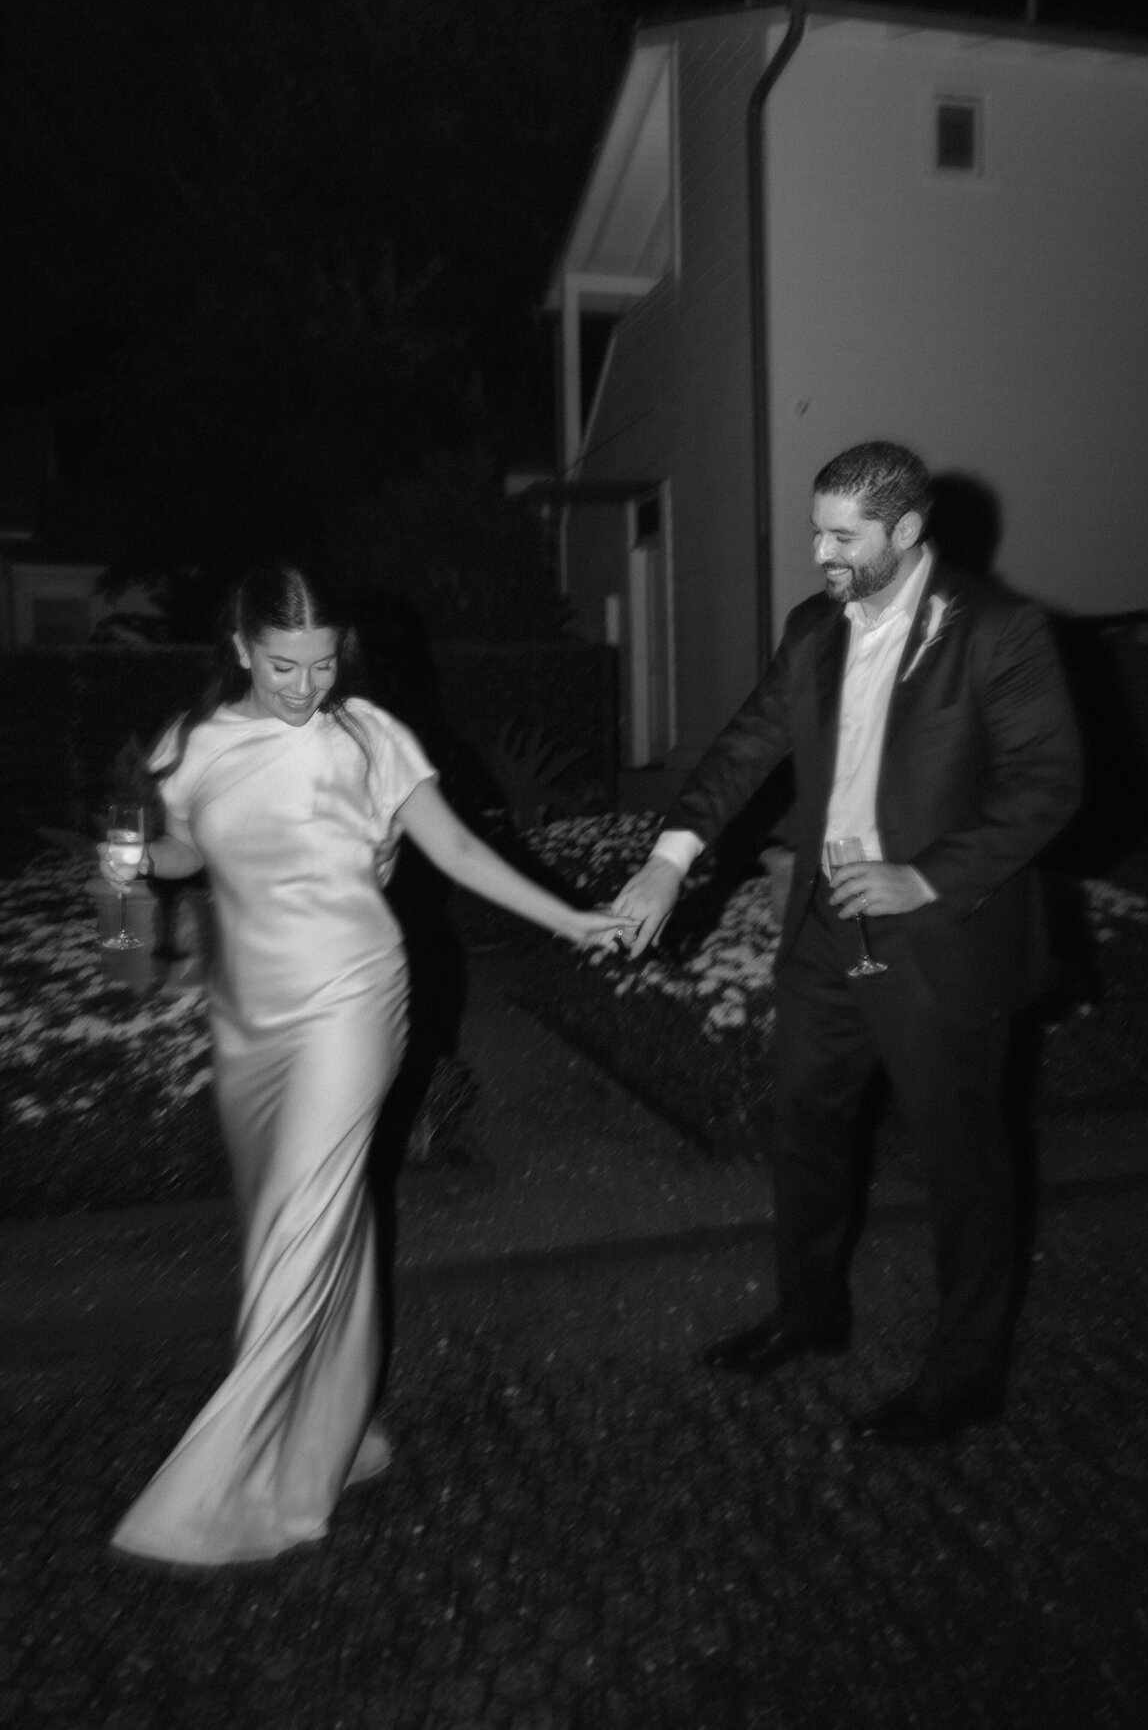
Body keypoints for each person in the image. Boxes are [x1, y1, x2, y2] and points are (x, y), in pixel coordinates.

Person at [100, 563, 631, 1567]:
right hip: (246, 1010)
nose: (307, 687)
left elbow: (462, 853)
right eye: (285, 665)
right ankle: (334, 1432)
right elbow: (176, 854)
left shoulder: (368, 735)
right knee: (293, 1225)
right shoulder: (192, 744)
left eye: (325, 663)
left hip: (354, 994)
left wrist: (569, 916)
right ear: (242, 652)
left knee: (303, 1224)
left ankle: (244, 1482)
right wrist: (126, 862)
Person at [613, 442, 1082, 1445]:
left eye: (842, 536)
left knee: (965, 1161)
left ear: (906, 532)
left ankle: (965, 1374)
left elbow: (1048, 783)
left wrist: (928, 872)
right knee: (805, 1126)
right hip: (831, 927)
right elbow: (747, 743)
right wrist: (670, 854)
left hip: (940, 937)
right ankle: (811, 1313)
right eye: (815, 529)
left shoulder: (997, 631)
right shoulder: (814, 629)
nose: (820, 552)